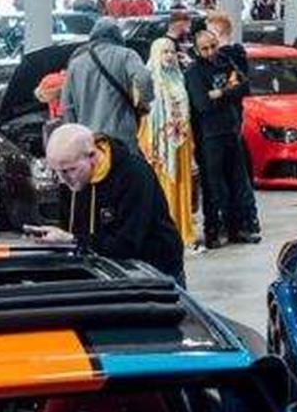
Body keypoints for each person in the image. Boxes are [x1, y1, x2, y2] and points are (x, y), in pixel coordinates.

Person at [31, 123, 186, 284]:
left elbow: (128, 244)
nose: (63, 179)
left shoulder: (134, 175)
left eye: (68, 170)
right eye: (56, 171)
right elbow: (72, 231)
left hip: (154, 271)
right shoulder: (72, 177)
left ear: (92, 155)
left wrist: (73, 240)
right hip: (99, 273)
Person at [184, 28, 260, 249]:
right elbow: (203, 104)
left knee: (238, 181)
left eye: (213, 46)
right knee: (213, 186)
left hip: (230, 130)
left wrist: (220, 93)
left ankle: (240, 227)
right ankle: (213, 230)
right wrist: (229, 90)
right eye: (205, 49)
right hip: (209, 137)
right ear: (197, 50)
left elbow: (245, 87)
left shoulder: (226, 62)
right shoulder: (194, 72)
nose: (210, 52)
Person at [137, 37, 196, 249]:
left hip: (180, 144)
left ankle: (183, 231)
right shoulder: (148, 80)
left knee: (181, 186)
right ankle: (164, 234)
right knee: (161, 189)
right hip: (158, 145)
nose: (169, 56)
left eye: (172, 52)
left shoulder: (178, 78)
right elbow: (142, 112)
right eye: (164, 52)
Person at [61, 18, 153, 149]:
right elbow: (144, 78)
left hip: (89, 138)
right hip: (121, 135)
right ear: (117, 34)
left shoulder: (76, 62)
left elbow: (66, 105)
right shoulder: (126, 55)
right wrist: (144, 103)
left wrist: (74, 132)